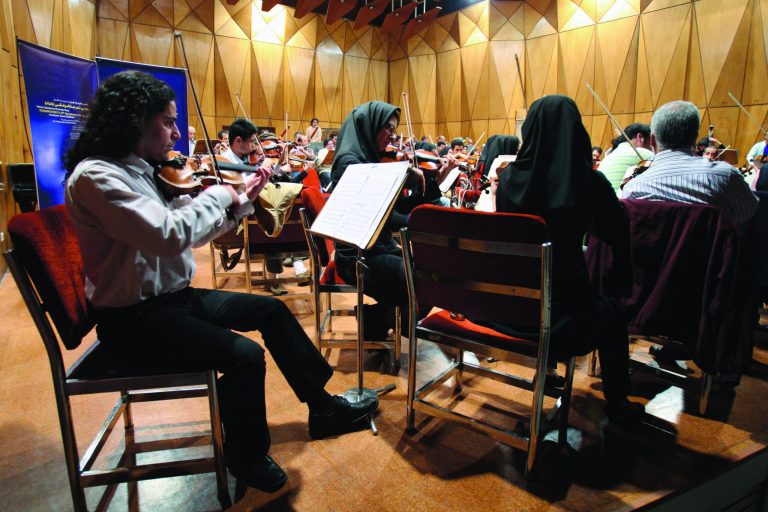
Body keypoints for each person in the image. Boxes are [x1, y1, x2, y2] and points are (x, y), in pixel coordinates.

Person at [63, 72, 378, 493]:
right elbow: (167, 234)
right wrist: (219, 195)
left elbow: (190, 233)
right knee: (244, 356)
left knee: (271, 309)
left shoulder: (145, 171)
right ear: (133, 121)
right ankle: (245, 456)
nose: (176, 133)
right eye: (167, 122)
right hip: (134, 322)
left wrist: (240, 202)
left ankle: (322, 408)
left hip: (172, 302)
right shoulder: (97, 177)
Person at [490, 95, 644, 424]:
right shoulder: (589, 183)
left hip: (507, 312)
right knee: (611, 310)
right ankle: (617, 402)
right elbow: (616, 234)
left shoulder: (508, 181)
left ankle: (546, 371)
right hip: (563, 321)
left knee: (548, 284)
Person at [330, 101, 430, 338]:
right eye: (388, 128)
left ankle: (375, 319)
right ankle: (381, 319)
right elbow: (385, 218)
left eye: (394, 130)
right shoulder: (350, 163)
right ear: (369, 126)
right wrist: (417, 222)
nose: (393, 137)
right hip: (356, 256)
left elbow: (394, 209)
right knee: (419, 281)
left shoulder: (371, 158)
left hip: (378, 249)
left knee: (429, 277)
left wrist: (424, 188)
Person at [621, 101, 758, 226]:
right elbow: (748, 213)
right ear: (695, 138)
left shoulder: (633, 189)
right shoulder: (724, 176)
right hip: (710, 253)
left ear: (651, 140)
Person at [597, 123, 653, 192]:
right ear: (640, 137)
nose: (652, 146)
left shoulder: (609, 156)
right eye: (651, 141)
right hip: (618, 201)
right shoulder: (642, 153)